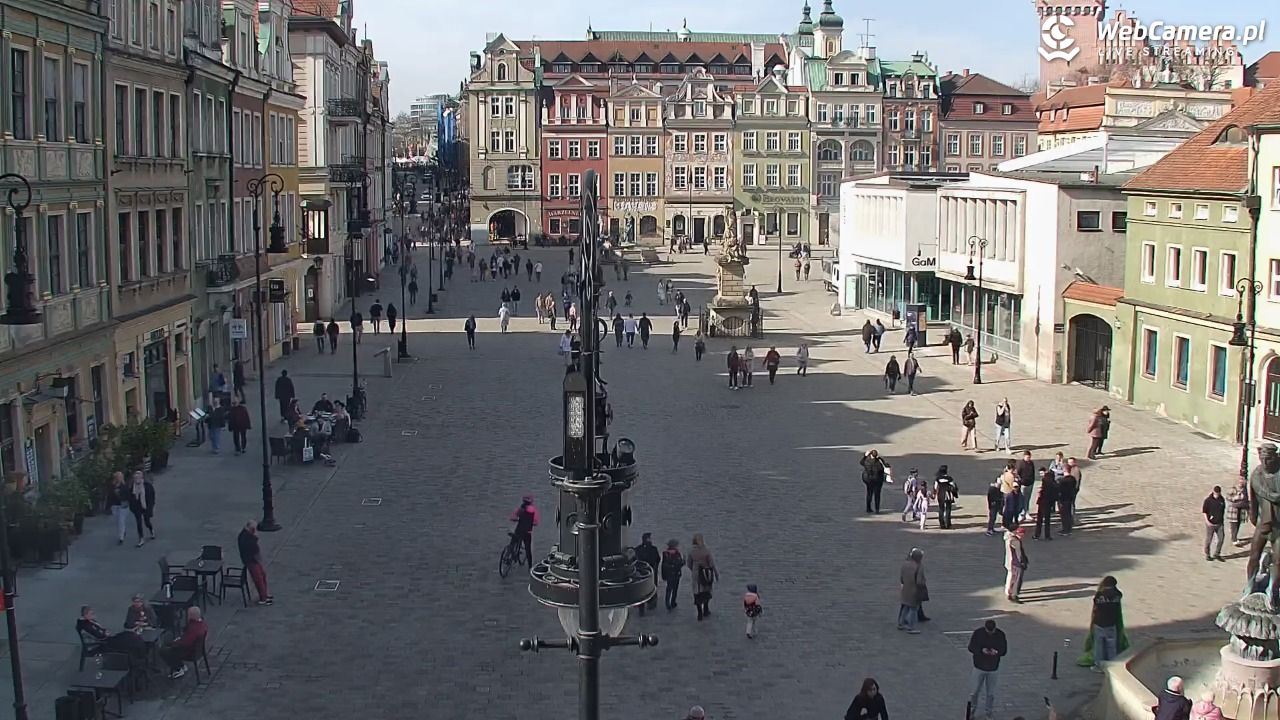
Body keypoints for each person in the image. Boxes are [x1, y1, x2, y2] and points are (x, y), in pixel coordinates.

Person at [968, 619, 1008, 720]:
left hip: (993, 667)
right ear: (985, 628)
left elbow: (1004, 650)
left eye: (992, 631)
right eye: (988, 631)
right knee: (974, 691)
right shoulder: (978, 633)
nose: (990, 633)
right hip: (979, 666)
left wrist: (997, 652)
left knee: (990, 693)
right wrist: (981, 651)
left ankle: (988, 713)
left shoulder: (1000, 635)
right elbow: (971, 647)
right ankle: (971, 712)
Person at [77, 606, 146, 658]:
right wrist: (106, 633)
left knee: (129, 634)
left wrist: (105, 632)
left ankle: (140, 650)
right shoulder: (86, 625)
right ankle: (139, 654)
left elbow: (101, 630)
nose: (93, 615)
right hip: (103, 643)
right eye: (91, 614)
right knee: (128, 638)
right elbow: (99, 636)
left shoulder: (89, 622)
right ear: (85, 615)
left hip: (107, 639)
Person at [159, 606, 208, 679]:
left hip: (189, 652)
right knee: (169, 644)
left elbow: (185, 644)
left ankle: (178, 668)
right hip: (196, 649)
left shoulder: (193, 628)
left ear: (191, 616)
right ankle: (180, 665)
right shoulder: (202, 624)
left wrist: (175, 643)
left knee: (163, 651)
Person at [239, 520, 273, 605]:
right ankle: (263, 597)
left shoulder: (246, 535)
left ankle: (265, 594)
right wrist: (255, 536)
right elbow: (253, 548)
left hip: (253, 560)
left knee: (262, 575)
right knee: (258, 579)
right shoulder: (245, 537)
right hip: (251, 561)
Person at [689, 534, 719, 620]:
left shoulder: (691, 551)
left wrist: (693, 570)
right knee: (706, 592)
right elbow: (711, 563)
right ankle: (706, 609)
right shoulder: (706, 551)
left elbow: (689, 563)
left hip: (696, 574)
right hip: (706, 574)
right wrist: (716, 574)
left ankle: (699, 613)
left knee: (697, 593)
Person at [898, 548, 925, 633]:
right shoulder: (919, 566)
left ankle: (901, 623)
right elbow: (919, 581)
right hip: (914, 591)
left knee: (905, 606)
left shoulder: (905, 564)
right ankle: (911, 627)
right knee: (914, 609)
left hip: (906, 589)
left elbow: (901, 578)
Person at [633, 533, 661, 615]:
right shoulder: (653, 549)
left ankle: (641, 608)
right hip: (651, 572)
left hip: (641, 573)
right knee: (652, 587)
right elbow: (658, 559)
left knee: (641, 590)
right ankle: (651, 604)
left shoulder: (637, 549)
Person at [509, 496, 539, 568]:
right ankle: (530, 567)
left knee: (512, 544)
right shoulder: (534, 510)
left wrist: (516, 519)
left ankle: (509, 555)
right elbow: (536, 522)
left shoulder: (521, 509)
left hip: (519, 530)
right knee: (528, 549)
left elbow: (513, 517)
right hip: (527, 532)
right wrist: (532, 523)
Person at [1034, 468, 1059, 540]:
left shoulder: (1045, 482)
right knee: (1047, 520)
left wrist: (1040, 493)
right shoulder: (1054, 484)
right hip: (1049, 503)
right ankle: (1047, 535)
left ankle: (1037, 535)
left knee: (1039, 519)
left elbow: (1042, 493)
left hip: (1042, 502)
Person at [1004, 527, 1027, 602]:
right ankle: (1013, 595)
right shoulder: (1015, 541)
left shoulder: (1007, 537)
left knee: (1010, 577)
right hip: (1015, 563)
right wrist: (1021, 562)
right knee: (1015, 579)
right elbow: (1018, 553)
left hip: (1009, 562)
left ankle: (1008, 592)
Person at [661, 539, 685, 610]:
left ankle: (670, 603)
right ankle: (670, 603)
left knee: (672, 589)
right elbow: (666, 565)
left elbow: (664, 565)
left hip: (673, 574)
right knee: (672, 589)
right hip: (673, 574)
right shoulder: (668, 554)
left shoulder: (673, 553)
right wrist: (681, 563)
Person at [1015, 450, 1037, 522]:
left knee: (1028, 499)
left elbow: (1033, 472)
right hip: (1023, 485)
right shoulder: (1020, 464)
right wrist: (1020, 482)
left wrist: (1032, 480)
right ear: (1024, 456)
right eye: (1027, 457)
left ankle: (1027, 512)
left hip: (1030, 484)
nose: (1028, 458)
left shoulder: (1031, 463)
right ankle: (1021, 514)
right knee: (1022, 499)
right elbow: (1017, 474)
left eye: (1029, 457)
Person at [1228, 476, 1250, 546]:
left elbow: (1246, 499)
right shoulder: (1233, 489)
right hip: (1233, 510)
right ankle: (1234, 539)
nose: (1241, 483)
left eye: (1242, 482)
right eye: (1240, 482)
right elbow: (1228, 497)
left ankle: (1234, 536)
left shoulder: (1245, 490)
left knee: (1238, 524)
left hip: (1241, 510)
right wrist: (1234, 498)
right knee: (1234, 524)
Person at [1058, 464, 1079, 536]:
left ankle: (1066, 530)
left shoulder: (1063, 480)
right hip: (1070, 498)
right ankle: (1069, 528)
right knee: (1068, 514)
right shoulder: (1073, 479)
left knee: (1064, 515)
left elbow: (1060, 490)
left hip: (1063, 499)